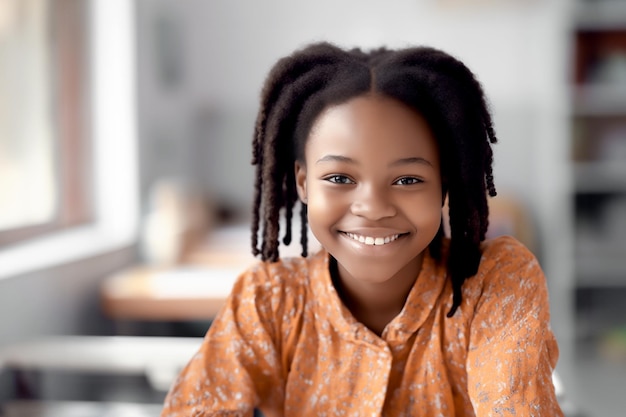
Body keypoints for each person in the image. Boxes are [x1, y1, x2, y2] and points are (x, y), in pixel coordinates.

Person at [160, 42, 563, 417]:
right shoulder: (268, 301)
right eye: (339, 178)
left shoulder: (495, 282)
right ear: (303, 183)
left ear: (445, 184)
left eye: (407, 180)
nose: (371, 207)